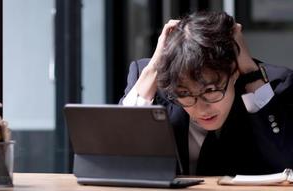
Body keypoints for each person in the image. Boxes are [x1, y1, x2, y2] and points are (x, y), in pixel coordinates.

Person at [120, 11, 293, 175]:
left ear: (234, 72)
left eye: (210, 91)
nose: (202, 109)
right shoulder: (153, 82)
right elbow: (117, 153)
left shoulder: (273, 85)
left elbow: (286, 160)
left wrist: (250, 72)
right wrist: (153, 69)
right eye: (185, 94)